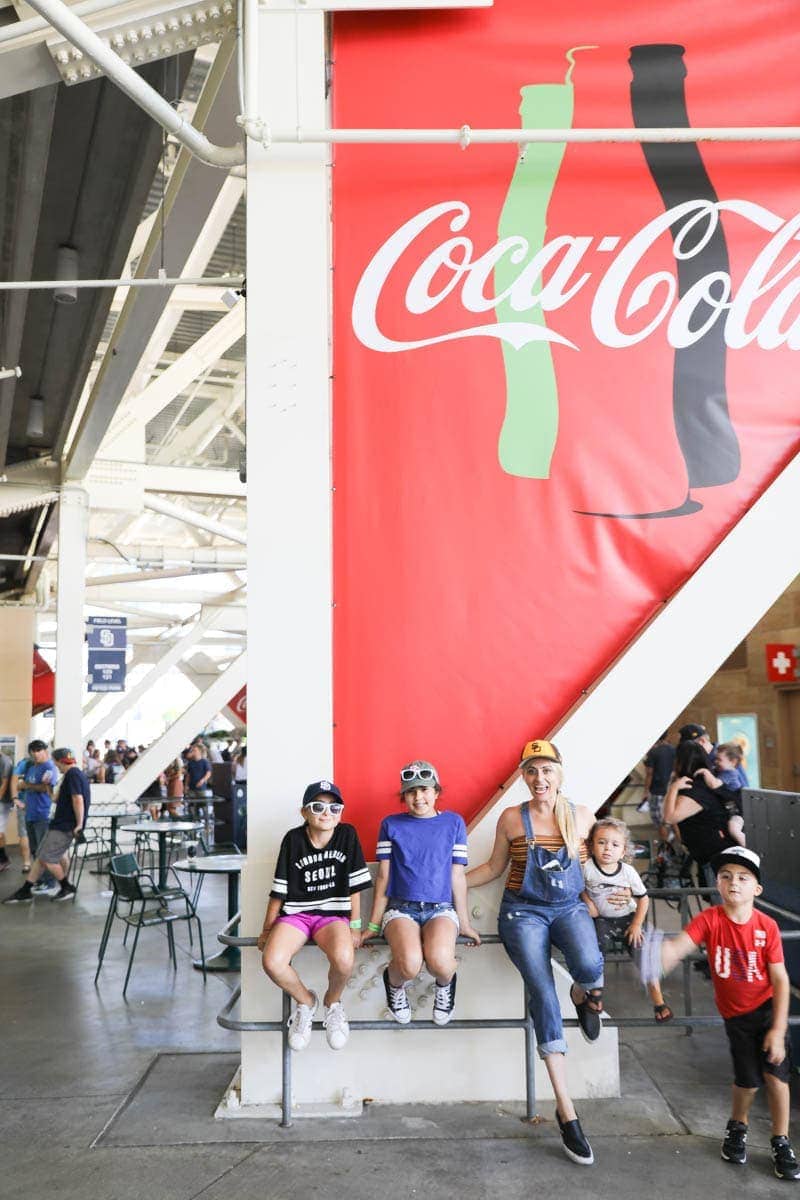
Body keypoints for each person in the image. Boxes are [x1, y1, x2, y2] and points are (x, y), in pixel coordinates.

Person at [466, 739, 605, 1166]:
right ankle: (567, 1112)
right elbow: (493, 868)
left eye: (546, 770)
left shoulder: (582, 816)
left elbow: (597, 865)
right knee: (543, 995)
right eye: (531, 771)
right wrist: (446, 884)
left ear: (560, 773)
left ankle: (584, 996)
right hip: (522, 913)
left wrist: (610, 895)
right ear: (523, 777)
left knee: (589, 964)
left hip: (568, 908)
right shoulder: (511, 818)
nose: (539, 779)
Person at [641, 847, 798, 1181]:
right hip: (737, 1017)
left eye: (743, 878)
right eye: (725, 876)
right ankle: (737, 1125)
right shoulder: (709, 920)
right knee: (748, 1081)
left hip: (769, 1010)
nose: (733, 883)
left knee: (776, 1077)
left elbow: (780, 978)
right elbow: (680, 946)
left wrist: (778, 1028)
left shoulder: (766, 926)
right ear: (718, 883)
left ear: (757, 889)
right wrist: (660, 955)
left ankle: (781, 1139)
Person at [363, 760, 480, 1028]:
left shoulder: (453, 823)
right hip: (401, 909)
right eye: (411, 792)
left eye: (425, 790)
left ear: (436, 792)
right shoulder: (391, 824)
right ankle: (394, 986)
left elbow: (457, 877)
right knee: (409, 965)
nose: (419, 797)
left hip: (440, 908)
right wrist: (371, 925)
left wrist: (465, 923)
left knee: (441, 963)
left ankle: (445, 986)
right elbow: (384, 876)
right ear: (404, 797)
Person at [257, 781, 372, 1051]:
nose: (326, 812)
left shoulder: (347, 835)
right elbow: (279, 891)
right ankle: (306, 1002)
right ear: (304, 812)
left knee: (344, 960)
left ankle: (332, 1004)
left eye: (334, 807)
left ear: (341, 812)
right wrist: (266, 929)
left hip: (333, 916)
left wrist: (355, 926)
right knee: (272, 961)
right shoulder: (293, 839)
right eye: (318, 806)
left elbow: (355, 887)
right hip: (297, 915)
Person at [581, 817, 672, 1022]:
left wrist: (637, 924)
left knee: (645, 951)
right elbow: (578, 888)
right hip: (601, 919)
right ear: (592, 846)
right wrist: (589, 903)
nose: (607, 849)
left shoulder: (628, 872)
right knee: (593, 951)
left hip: (628, 918)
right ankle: (595, 994)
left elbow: (643, 899)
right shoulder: (587, 868)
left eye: (615, 845)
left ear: (623, 852)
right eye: (601, 842)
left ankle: (658, 1001)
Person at [3, 749, 90, 904]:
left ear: (59, 761)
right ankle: (26, 889)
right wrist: (47, 786)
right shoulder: (72, 776)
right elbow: (56, 799)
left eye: (56, 763)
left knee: (47, 858)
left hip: (65, 825)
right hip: (60, 823)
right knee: (41, 858)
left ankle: (66, 886)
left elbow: (78, 799)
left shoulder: (73, 775)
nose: (56, 766)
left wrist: (79, 824)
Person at [663, 740, 739, 883]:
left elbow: (669, 818)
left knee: (720, 902)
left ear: (681, 761)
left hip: (717, 857)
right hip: (712, 854)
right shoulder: (701, 782)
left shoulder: (695, 789)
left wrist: (673, 788)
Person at [13, 741, 58, 873]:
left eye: (38, 750)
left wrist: (26, 786)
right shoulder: (32, 767)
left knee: (43, 850)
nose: (35, 754)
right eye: (33, 751)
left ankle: (49, 882)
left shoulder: (49, 767)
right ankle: (39, 877)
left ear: (45, 751)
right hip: (30, 813)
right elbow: (21, 783)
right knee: (34, 850)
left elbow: (46, 788)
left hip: (42, 814)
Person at [642, 732, 675, 840]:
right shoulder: (674, 750)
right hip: (672, 790)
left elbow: (649, 774)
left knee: (660, 821)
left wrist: (646, 791)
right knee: (672, 819)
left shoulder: (653, 752)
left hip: (657, 791)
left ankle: (666, 847)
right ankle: (675, 843)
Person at [0, 747, 13, 871]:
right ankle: (3, 859)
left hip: (3, 802)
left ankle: (3, 860)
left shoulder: (5, 761)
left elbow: (4, 784)